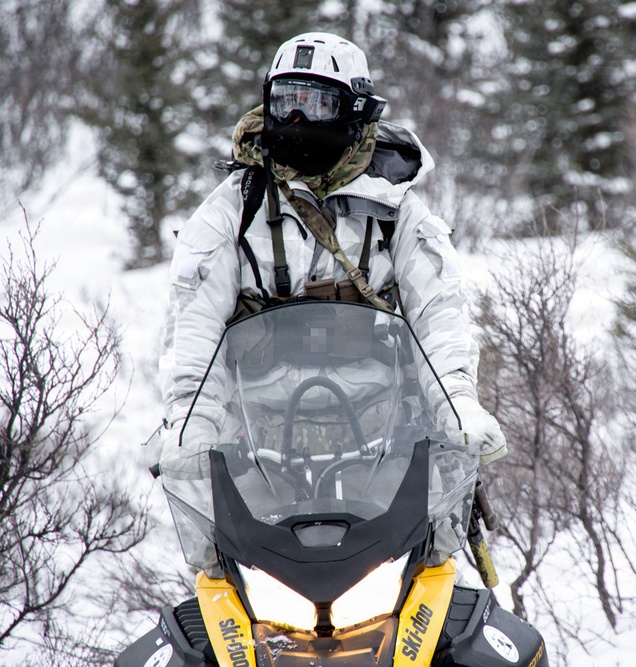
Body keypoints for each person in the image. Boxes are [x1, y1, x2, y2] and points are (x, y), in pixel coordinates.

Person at [158, 32, 506, 482]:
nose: (298, 117)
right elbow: (194, 322)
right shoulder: (235, 209)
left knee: (440, 533)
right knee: (207, 537)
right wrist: (192, 421)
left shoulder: (393, 208)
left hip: (383, 435)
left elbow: (438, 311)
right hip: (256, 442)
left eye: (317, 104)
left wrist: (457, 404)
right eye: (286, 102)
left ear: (355, 112)